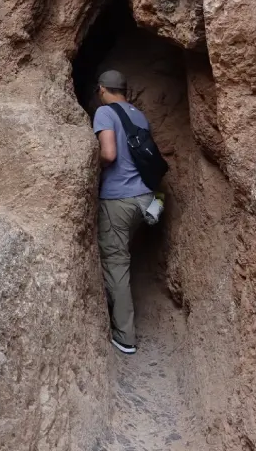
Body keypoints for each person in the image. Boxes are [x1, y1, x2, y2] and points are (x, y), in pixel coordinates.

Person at [92, 69, 155, 355]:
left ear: (102, 89)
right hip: (145, 198)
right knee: (122, 254)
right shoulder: (139, 115)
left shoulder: (105, 112)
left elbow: (109, 153)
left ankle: (125, 336)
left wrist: (93, 170)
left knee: (116, 263)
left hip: (119, 198)